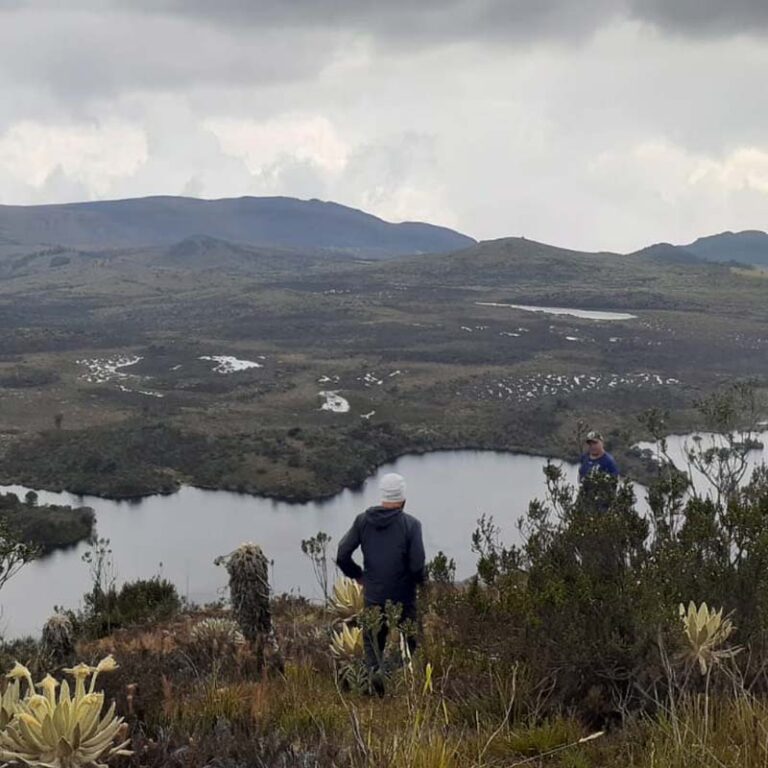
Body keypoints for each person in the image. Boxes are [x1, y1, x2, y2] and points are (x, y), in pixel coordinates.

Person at [335, 472, 426, 680]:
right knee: (411, 645)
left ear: (383, 496)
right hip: (404, 599)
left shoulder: (363, 521)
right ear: (403, 498)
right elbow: (417, 566)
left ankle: (375, 685)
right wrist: (420, 585)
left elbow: (342, 555)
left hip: (374, 597)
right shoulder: (412, 525)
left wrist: (359, 576)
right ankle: (407, 684)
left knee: (373, 649)